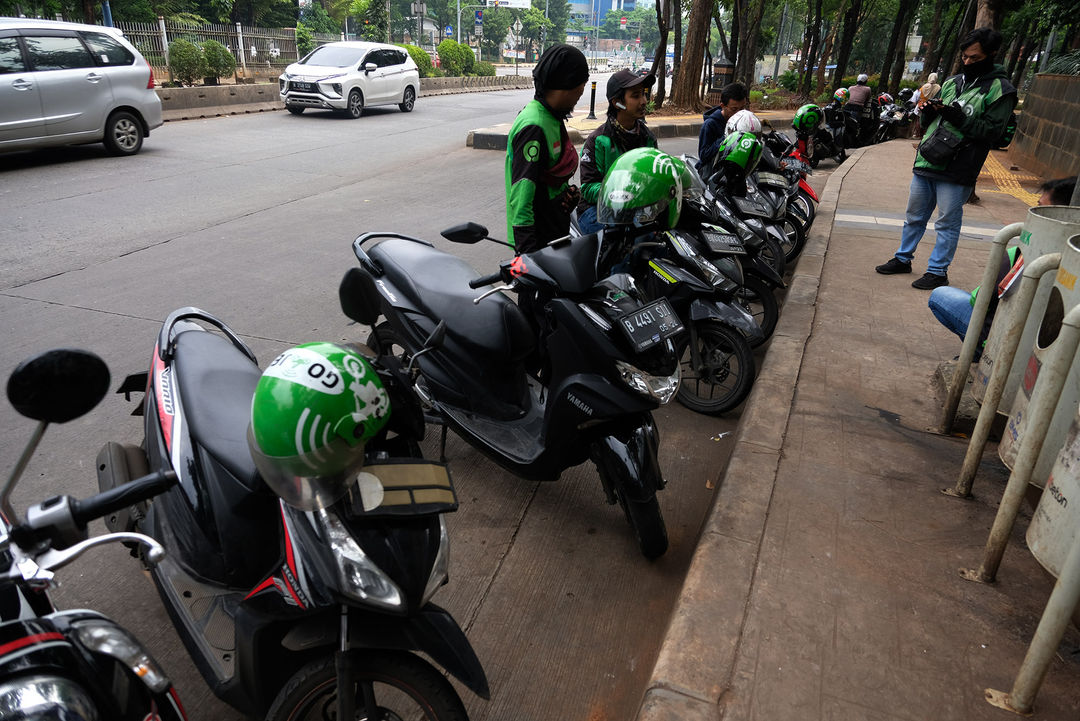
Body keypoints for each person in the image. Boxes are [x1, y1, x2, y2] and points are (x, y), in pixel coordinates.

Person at [875, 27, 1018, 290]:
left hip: (959, 167)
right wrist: (928, 111)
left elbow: (993, 133)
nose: (967, 62)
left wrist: (958, 117)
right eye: (964, 57)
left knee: (946, 222)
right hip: (928, 160)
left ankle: (938, 271)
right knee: (914, 216)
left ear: (992, 54)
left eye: (974, 58)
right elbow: (934, 121)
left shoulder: (1001, 89)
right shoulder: (953, 83)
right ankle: (902, 258)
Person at [505, 44, 589, 254]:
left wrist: (566, 196)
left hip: (554, 235)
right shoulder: (534, 125)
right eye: (582, 84)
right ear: (567, 83)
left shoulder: (552, 116)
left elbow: (548, 178)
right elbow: (522, 197)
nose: (582, 91)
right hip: (537, 246)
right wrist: (526, 259)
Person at [576, 69, 658, 235]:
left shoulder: (648, 138)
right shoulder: (598, 141)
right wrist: (624, 193)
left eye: (643, 94)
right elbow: (588, 188)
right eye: (635, 96)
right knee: (619, 243)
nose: (643, 101)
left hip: (636, 210)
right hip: (596, 209)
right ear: (617, 103)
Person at [698, 81, 748, 171]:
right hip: (714, 172)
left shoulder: (744, 122)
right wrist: (727, 137)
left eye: (742, 108)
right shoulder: (710, 124)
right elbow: (704, 155)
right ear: (723, 106)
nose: (739, 113)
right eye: (734, 109)